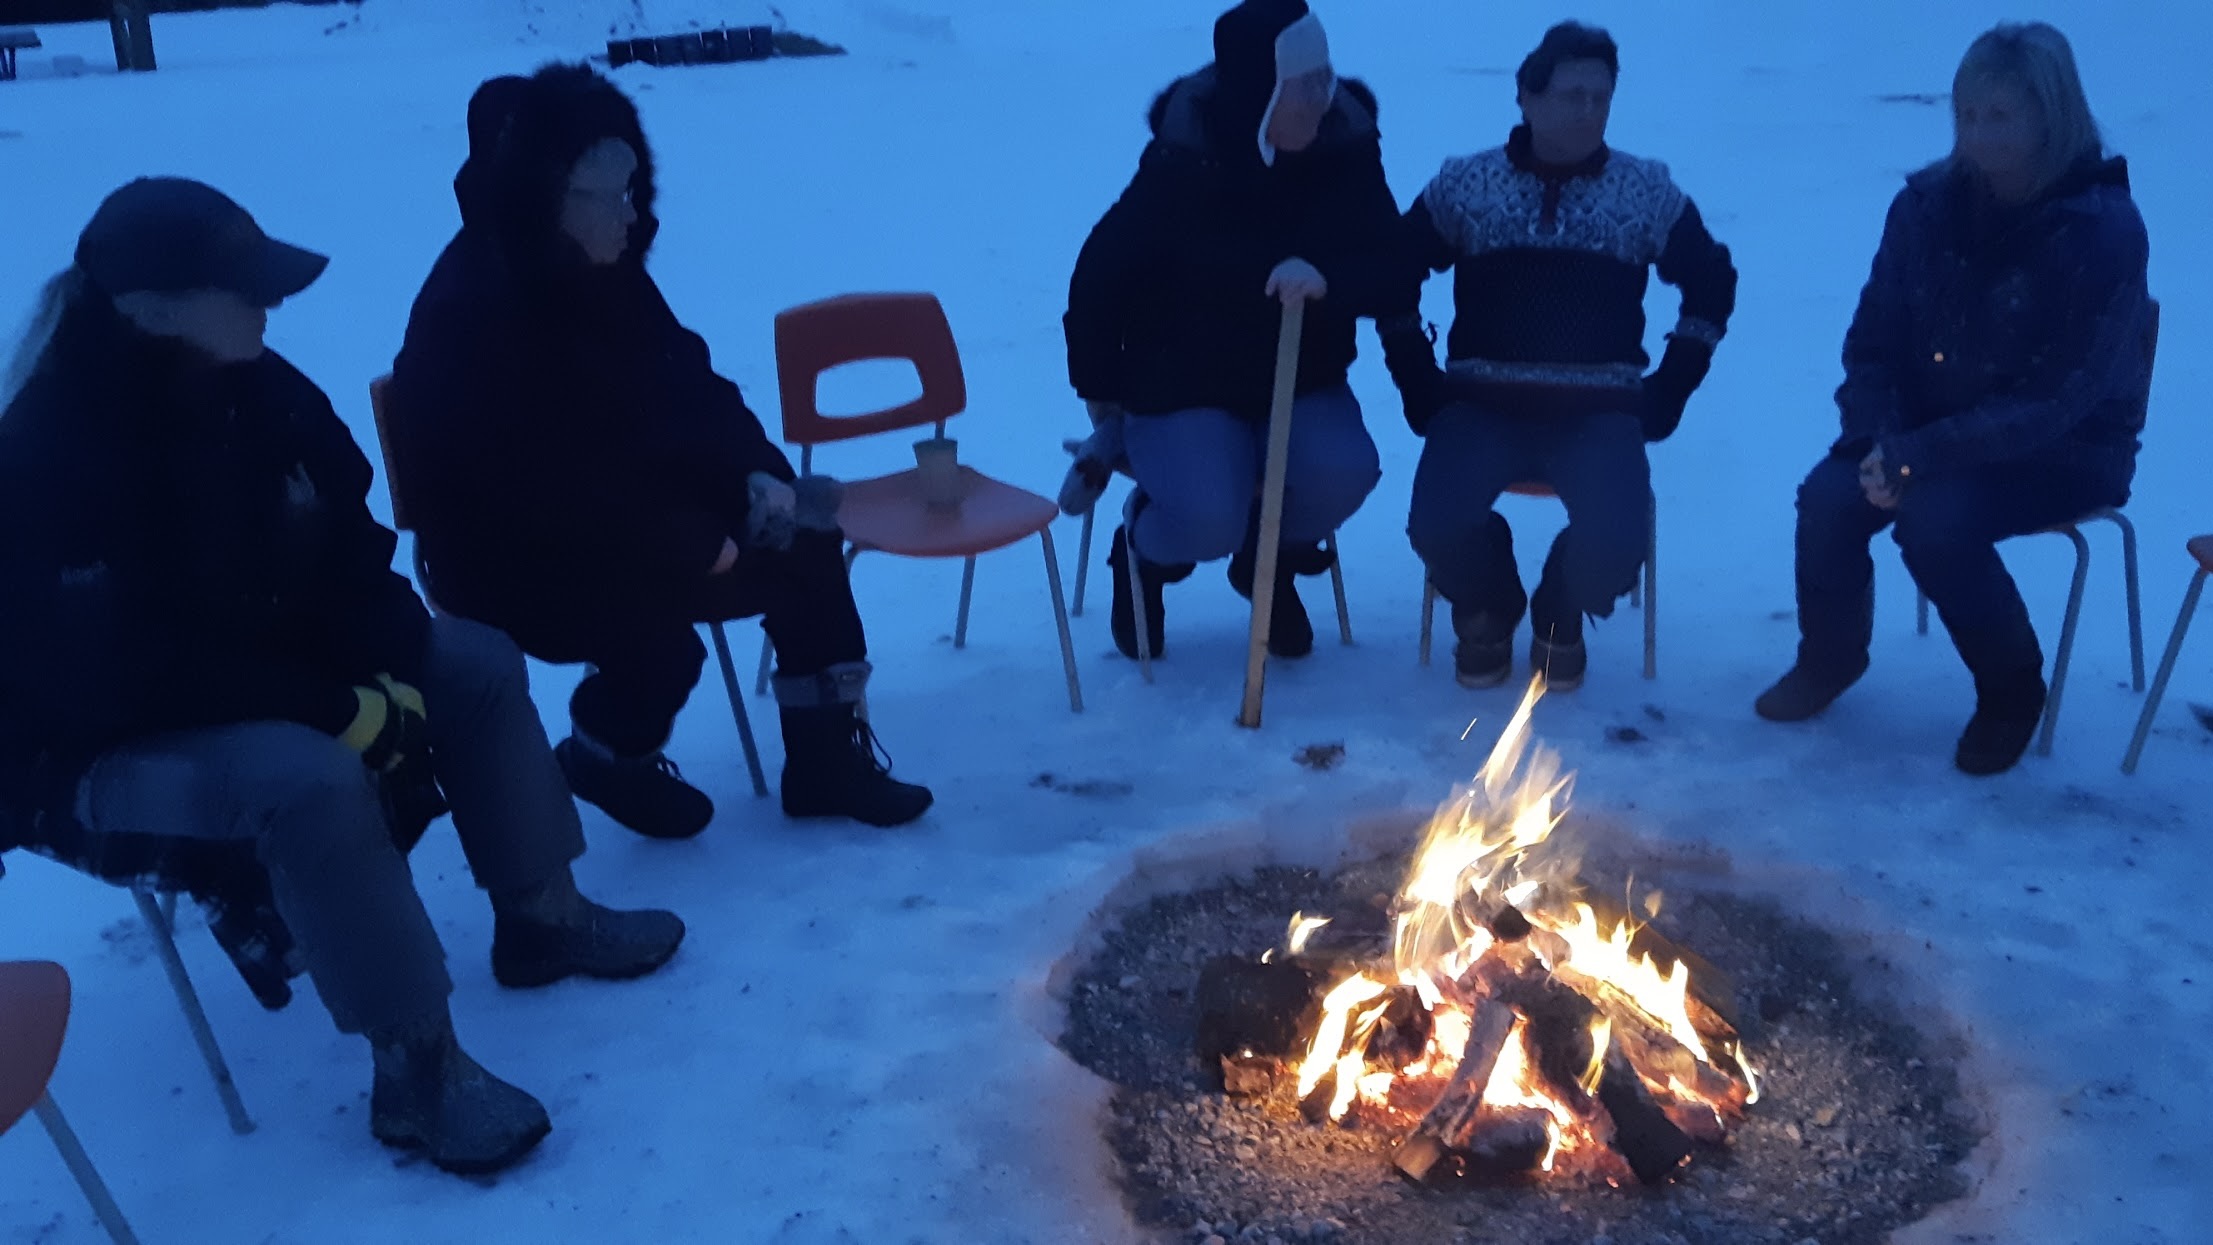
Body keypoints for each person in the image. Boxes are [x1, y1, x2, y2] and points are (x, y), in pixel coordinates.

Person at [0, 177, 686, 1176]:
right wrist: (337, 707)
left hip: (254, 676)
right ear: (148, 309)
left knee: (473, 661)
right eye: (242, 289)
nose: (267, 306)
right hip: (88, 748)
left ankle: (543, 914)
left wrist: (392, 666)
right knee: (307, 777)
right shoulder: (48, 458)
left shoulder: (259, 390)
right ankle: (416, 1064)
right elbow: (125, 672)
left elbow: (354, 550)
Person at [384, 65, 931, 839]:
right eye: (606, 195)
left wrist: (758, 475)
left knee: (807, 544)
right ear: (545, 198)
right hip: (510, 557)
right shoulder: (468, 315)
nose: (630, 212)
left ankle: (824, 763)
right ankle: (608, 751)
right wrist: (682, 538)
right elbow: (527, 484)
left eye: (634, 187)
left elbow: (690, 387)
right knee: (655, 639)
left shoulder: (610, 275)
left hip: (635, 513)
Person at [1754, 22, 2152, 775]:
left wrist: (1915, 456)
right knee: (1830, 495)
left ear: (2050, 115)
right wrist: (1877, 438)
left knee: (1935, 521)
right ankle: (1829, 657)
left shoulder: (2099, 229)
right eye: (1967, 114)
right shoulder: (1926, 206)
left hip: (2065, 451)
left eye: (1998, 116)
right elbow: (1871, 339)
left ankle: (2009, 690)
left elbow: (2058, 396)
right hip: (1920, 437)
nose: (1977, 133)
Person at [1383, 21, 1736, 691]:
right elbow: (1392, 273)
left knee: (1615, 544)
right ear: (1526, 96)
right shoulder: (1466, 186)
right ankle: (1487, 604)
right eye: (1571, 95)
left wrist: (1672, 384)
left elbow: (1712, 282)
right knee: (1436, 525)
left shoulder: (1644, 192)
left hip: (1597, 414)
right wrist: (1415, 376)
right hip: (1480, 408)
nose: (1587, 112)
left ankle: (1559, 608)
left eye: (1600, 98)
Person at [1063, 0, 1400, 662]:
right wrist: (1102, 394)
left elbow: (1393, 262)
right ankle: (1143, 551)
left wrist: (1329, 275)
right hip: (1182, 386)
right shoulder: (1181, 165)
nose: (1323, 98)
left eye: (1326, 77)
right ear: (1259, 94)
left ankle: (1264, 557)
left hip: (1300, 377)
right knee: (1207, 514)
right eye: (1306, 84)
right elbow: (1098, 277)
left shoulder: (1344, 148)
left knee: (1346, 471)